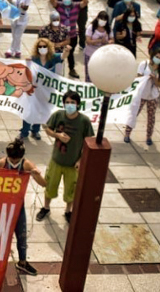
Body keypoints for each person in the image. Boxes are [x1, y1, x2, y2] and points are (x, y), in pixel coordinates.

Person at [36, 91, 94, 223]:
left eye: (72, 103)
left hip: (73, 164)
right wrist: (58, 135)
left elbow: (89, 142)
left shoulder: (84, 121)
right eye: (67, 102)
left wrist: (80, 160)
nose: (69, 105)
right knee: (50, 185)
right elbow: (48, 129)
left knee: (71, 189)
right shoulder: (58, 115)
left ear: (78, 104)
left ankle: (68, 211)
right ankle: (46, 207)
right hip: (56, 160)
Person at [0, 138, 45, 276]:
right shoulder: (1, 163)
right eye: (12, 159)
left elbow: (43, 184)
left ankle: (22, 262)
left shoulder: (27, 164)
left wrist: (37, 174)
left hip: (18, 206)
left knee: (21, 235)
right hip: (2, 205)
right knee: (1, 236)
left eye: (17, 160)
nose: (14, 162)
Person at [124, 48, 160, 145]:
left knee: (151, 117)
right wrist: (146, 78)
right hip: (141, 95)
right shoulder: (144, 64)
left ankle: (149, 136)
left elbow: (158, 84)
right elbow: (138, 78)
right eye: (156, 56)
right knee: (134, 114)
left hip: (153, 96)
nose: (158, 59)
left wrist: (155, 79)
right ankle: (127, 134)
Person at [83, 11, 111, 82]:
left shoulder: (108, 29)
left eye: (105, 20)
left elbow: (112, 40)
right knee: (89, 74)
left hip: (102, 56)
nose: (103, 21)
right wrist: (99, 41)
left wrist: (107, 42)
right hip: (90, 54)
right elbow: (88, 41)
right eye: (101, 19)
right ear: (98, 18)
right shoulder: (91, 28)